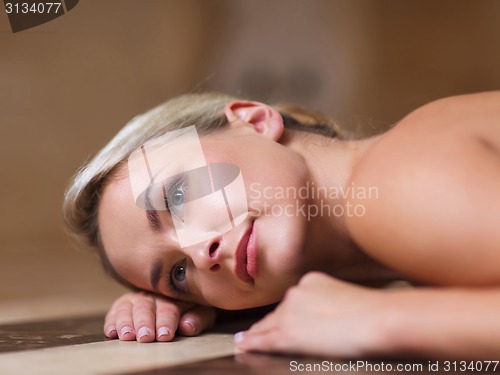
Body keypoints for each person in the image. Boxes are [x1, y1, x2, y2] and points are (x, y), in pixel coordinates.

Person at [63, 91, 500, 359]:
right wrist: (192, 313)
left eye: (177, 197)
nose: (201, 254)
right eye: (178, 274)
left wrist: (378, 321)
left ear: (254, 120)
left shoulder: (399, 178)